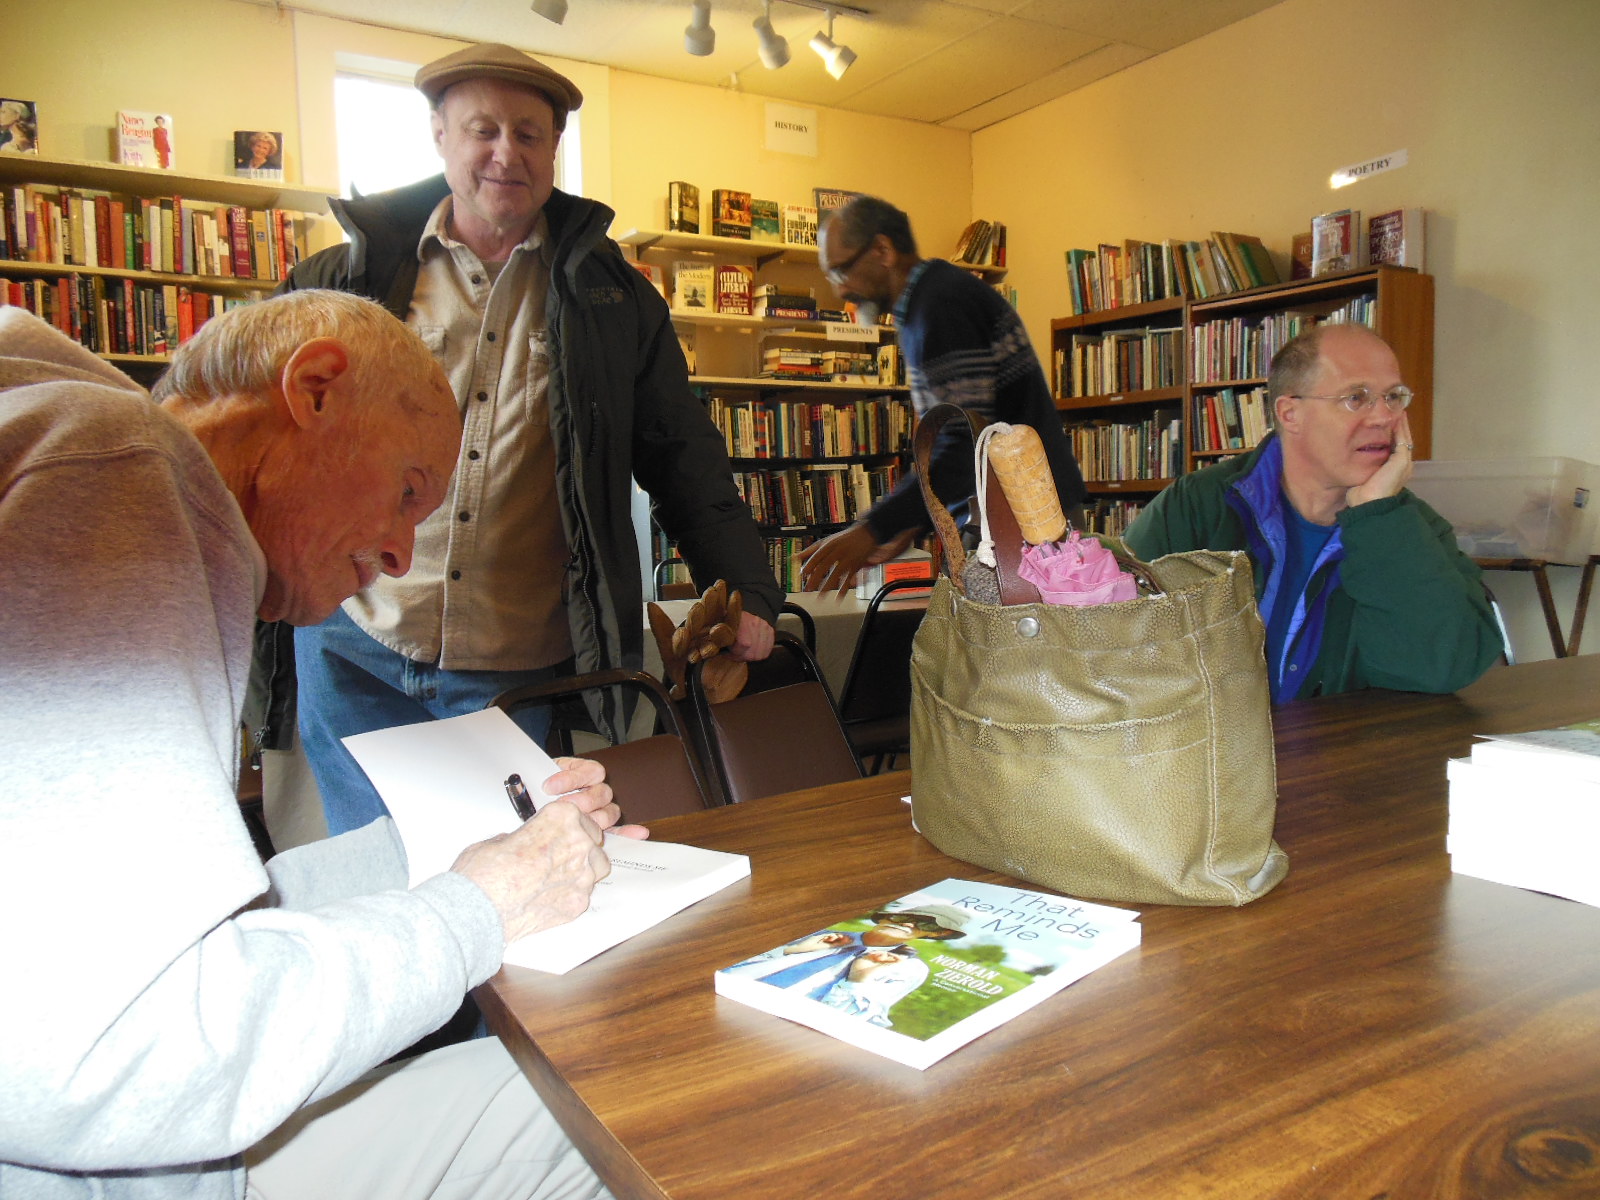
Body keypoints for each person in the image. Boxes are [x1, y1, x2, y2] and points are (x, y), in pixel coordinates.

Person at [0, 293, 641, 1199]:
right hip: (128, 1160)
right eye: (408, 491)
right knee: (626, 1100)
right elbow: (106, 1052)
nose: (398, 551)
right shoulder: (119, 467)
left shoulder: (52, 445)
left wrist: (460, 854)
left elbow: (163, 940)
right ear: (316, 389)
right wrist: (480, 909)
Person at [274, 42, 782, 836]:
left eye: (529, 133)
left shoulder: (615, 300)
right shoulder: (341, 279)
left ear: (554, 150)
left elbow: (683, 455)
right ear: (440, 135)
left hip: (512, 666)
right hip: (352, 643)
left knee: (512, 890)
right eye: (482, 129)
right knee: (369, 879)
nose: (505, 152)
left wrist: (748, 589)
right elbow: (254, 442)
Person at [1123, 323, 1502, 701]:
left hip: (1344, 753)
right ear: (1290, 414)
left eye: (1393, 397)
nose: (1384, 417)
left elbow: (1444, 667)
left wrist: (1378, 517)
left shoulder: (1409, 527)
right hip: (1207, 751)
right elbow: (1114, 637)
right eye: (1357, 397)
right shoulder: (1198, 506)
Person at [799, 194, 1086, 594]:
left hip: (1029, 524)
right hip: (1015, 520)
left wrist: (874, 528)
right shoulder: (928, 301)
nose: (840, 290)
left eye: (842, 270)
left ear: (882, 250)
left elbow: (967, 440)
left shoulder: (940, 305)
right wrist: (912, 521)